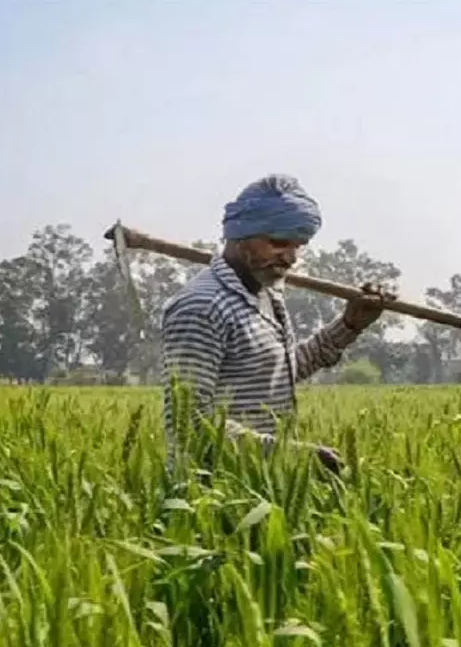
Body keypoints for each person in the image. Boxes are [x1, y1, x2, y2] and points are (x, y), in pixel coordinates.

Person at [160, 173, 393, 475]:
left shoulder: (265, 293)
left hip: (262, 482)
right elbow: (188, 421)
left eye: (299, 245)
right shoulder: (201, 307)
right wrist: (291, 454)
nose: (292, 258)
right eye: (279, 243)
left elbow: (280, 371)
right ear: (241, 235)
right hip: (209, 493)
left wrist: (350, 325)